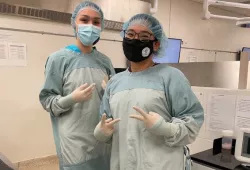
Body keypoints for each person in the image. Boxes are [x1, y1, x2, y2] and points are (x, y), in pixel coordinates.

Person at [94, 14, 204, 170]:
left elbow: (193, 122)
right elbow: (107, 122)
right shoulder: (114, 82)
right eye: (130, 34)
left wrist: (166, 128)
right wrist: (102, 132)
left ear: (156, 44)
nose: (135, 40)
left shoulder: (171, 77)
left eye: (144, 36)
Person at [39, 1, 115, 170]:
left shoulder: (104, 61)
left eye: (96, 22)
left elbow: (112, 101)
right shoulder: (58, 59)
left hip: (102, 139)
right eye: (85, 20)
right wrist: (70, 99)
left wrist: (110, 91)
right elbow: (47, 100)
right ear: (74, 23)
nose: (91, 26)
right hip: (74, 143)